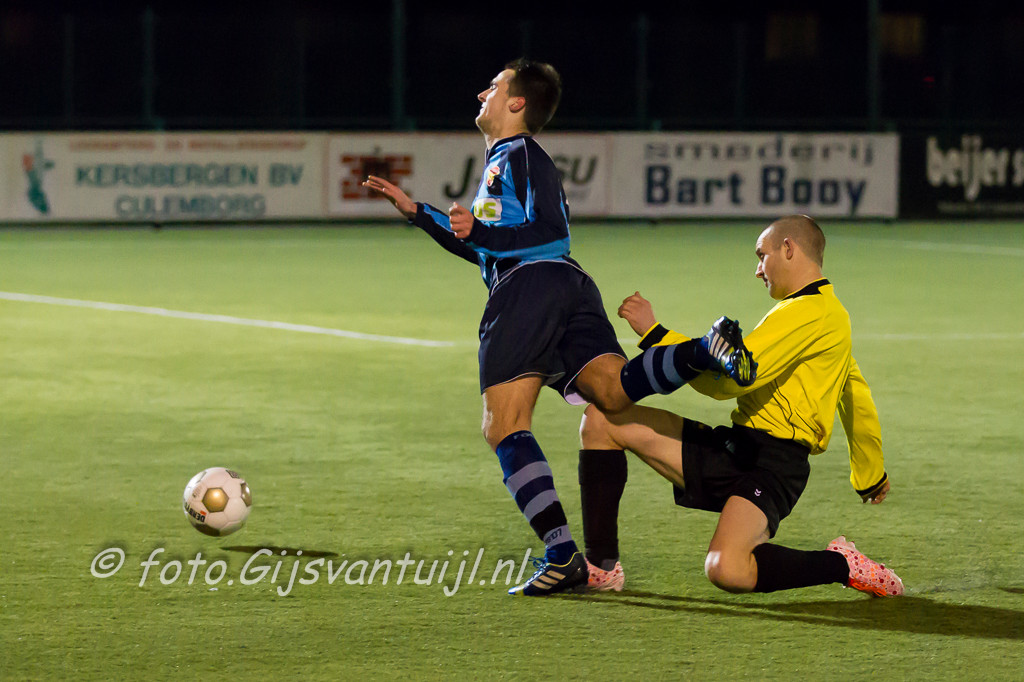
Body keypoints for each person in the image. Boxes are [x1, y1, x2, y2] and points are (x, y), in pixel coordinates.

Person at [362, 59, 636, 596]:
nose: (481, 92)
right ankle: (604, 563)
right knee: (613, 401)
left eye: (493, 86)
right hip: (565, 286)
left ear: (516, 103)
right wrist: (419, 212)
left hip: (529, 290)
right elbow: (486, 247)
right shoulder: (504, 160)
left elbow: (551, 232)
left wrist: (483, 233)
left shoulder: (521, 154)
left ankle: (562, 555)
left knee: (503, 425)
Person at [577, 215, 904, 597]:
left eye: (761, 256)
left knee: (727, 568)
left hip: (772, 467)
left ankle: (842, 565)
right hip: (736, 447)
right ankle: (602, 567)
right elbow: (855, 395)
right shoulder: (812, 311)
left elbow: (731, 381)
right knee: (601, 420)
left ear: (788, 249)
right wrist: (870, 474)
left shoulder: (814, 312)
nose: (757, 270)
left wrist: (656, 335)